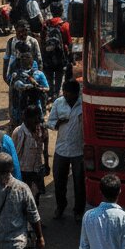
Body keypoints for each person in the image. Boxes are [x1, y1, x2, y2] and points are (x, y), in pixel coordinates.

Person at [47, 78, 85, 221]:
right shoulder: (58, 103)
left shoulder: (83, 104)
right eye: (65, 93)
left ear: (76, 94)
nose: (67, 96)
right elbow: (49, 123)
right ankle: (60, 206)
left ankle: (78, 211)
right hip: (61, 149)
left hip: (78, 150)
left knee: (79, 184)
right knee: (59, 181)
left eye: (70, 94)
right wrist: (58, 123)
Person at [8, 43, 50, 128]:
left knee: (39, 127)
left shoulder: (38, 74)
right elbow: (12, 90)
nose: (24, 61)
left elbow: (47, 88)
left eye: (26, 60)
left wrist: (36, 87)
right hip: (21, 106)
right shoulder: (16, 74)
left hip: (35, 105)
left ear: (31, 62)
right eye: (22, 60)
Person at [13, 104, 49, 202]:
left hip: (37, 170)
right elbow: (14, 153)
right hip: (23, 170)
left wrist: (46, 165)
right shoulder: (18, 132)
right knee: (23, 198)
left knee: (35, 198)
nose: (36, 121)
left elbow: (45, 150)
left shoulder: (42, 130)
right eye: (34, 118)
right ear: (27, 118)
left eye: (38, 117)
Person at [42, 1, 72, 86]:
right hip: (61, 56)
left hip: (48, 55)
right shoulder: (65, 25)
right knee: (59, 77)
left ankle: (50, 94)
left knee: (49, 78)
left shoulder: (46, 24)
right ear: (62, 11)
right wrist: (70, 57)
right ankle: (57, 93)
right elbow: (69, 43)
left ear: (51, 11)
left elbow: (43, 41)